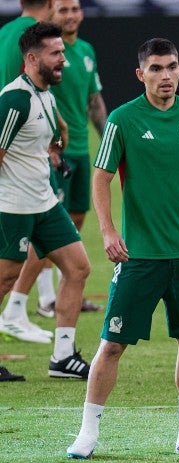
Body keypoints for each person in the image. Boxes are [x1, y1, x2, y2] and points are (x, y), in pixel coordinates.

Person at [66, 38, 179, 458]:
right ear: (141, 74)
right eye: (155, 68)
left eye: (171, 67)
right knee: (112, 345)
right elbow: (101, 177)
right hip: (139, 257)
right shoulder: (123, 119)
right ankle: (88, 434)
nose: (165, 76)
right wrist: (109, 231)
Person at [0, 0, 107, 343]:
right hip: (16, 201)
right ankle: (16, 312)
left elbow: (48, 130)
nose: (63, 59)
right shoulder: (16, 98)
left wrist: (55, 147)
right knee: (7, 274)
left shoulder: (46, 93)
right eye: (56, 54)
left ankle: (63, 355)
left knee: (78, 266)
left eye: (63, 52)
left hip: (46, 194)